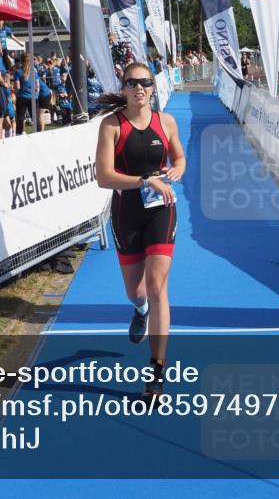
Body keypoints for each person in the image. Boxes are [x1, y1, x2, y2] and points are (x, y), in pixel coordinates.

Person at [95, 63, 187, 401]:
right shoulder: (111, 126)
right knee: (136, 291)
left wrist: (176, 170)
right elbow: (103, 176)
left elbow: (180, 158)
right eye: (132, 83)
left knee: (157, 285)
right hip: (127, 213)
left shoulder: (166, 122)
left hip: (162, 210)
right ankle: (140, 310)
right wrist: (145, 181)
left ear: (152, 87)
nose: (139, 88)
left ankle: (157, 371)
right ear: (123, 88)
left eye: (145, 83)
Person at [13, 53, 36, 135]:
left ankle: (20, 133)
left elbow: (17, 87)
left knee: (20, 117)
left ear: (21, 60)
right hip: (32, 97)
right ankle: (37, 132)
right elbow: (37, 86)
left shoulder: (18, 72)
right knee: (34, 117)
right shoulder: (34, 71)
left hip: (22, 97)